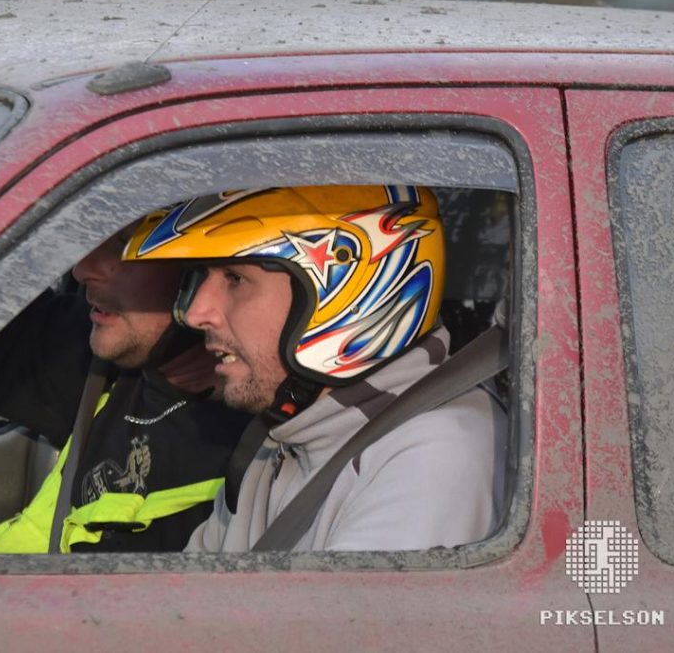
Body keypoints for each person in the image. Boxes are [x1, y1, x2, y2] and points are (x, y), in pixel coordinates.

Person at [121, 185, 506, 552]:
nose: (195, 313)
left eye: (235, 279)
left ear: (345, 293)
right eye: (201, 279)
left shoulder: (433, 457)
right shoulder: (282, 439)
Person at [0, 223, 250, 553]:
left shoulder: (245, 464)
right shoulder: (99, 364)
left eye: (125, 243)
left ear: (201, 273)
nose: (82, 269)